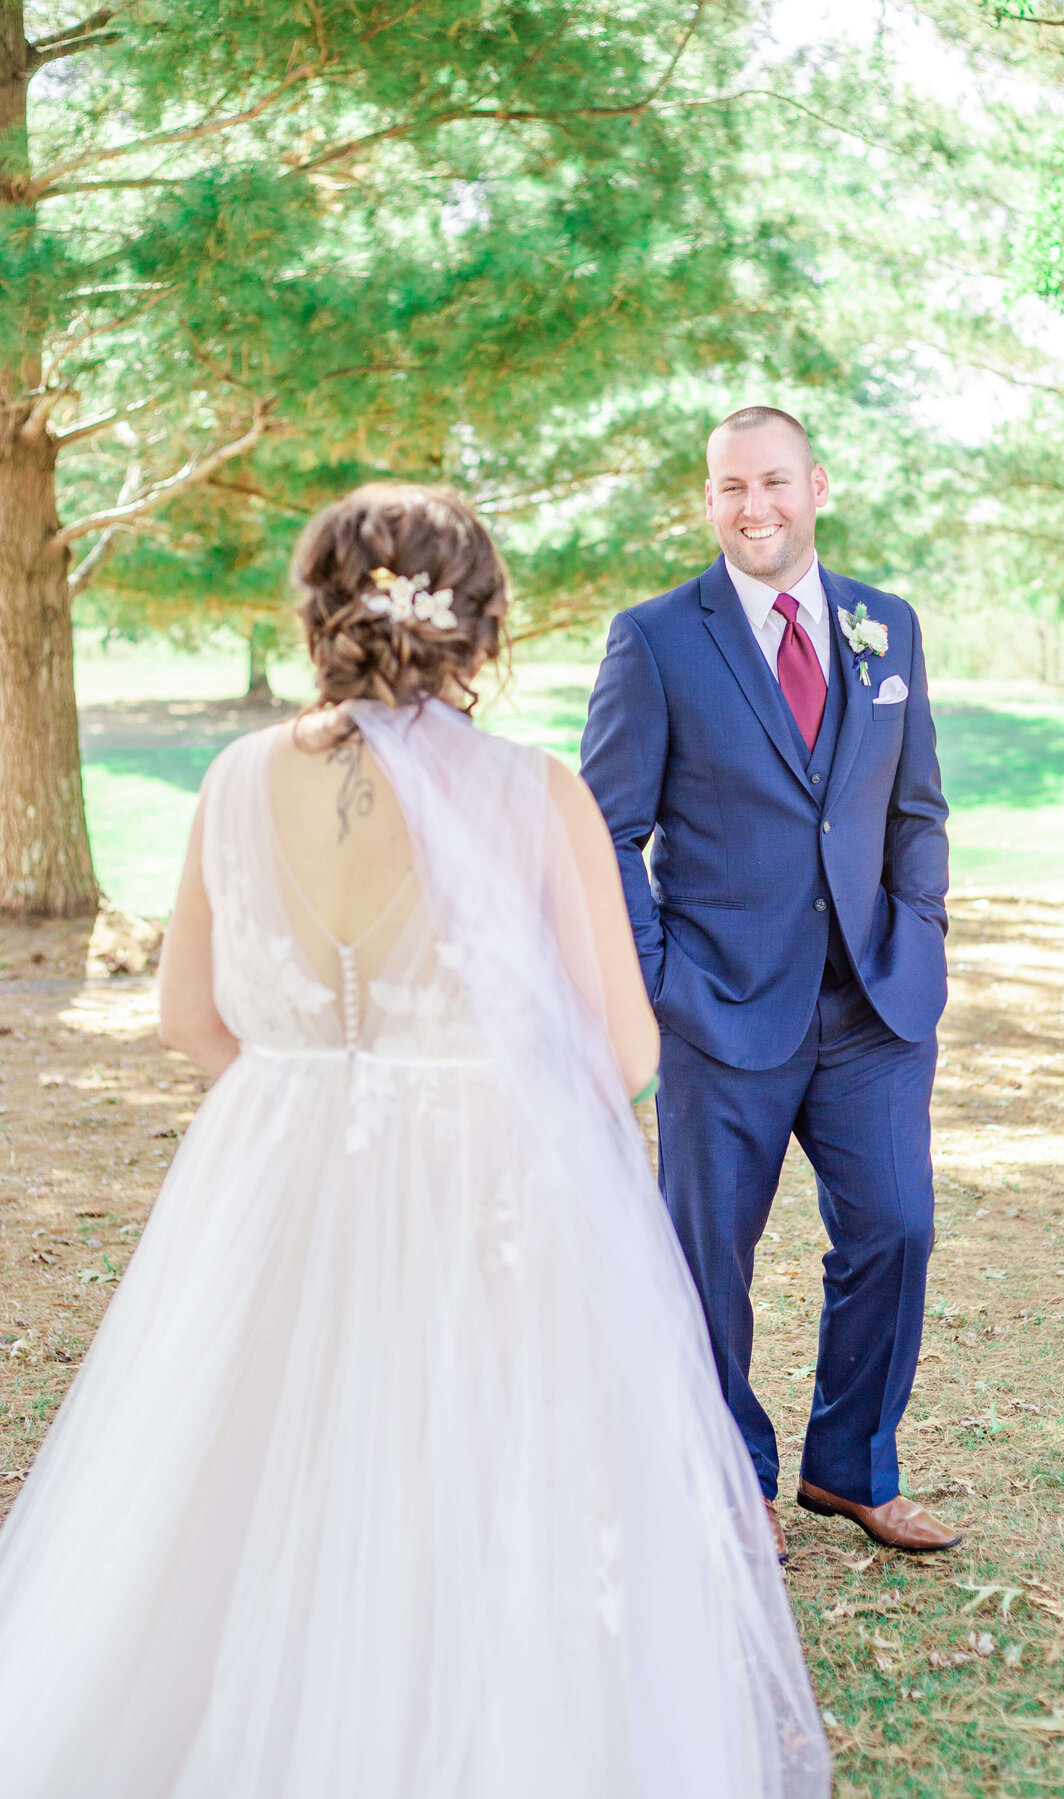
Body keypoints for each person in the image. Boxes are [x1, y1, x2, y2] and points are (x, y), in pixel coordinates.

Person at [0, 483, 829, 1798]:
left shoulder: (231, 778)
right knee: (464, 1482)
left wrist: (315, 1095)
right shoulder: (536, 793)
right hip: (481, 1189)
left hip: (270, 1180)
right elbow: (624, 1050)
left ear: (321, 615)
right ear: (480, 625)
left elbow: (187, 1015)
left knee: (241, 1474)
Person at [580, 407, 960, 1558]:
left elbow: (918, 805)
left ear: (816, 485)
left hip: (874, 1003)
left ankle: (851, 1467)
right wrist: (658, 979)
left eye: (776, 483)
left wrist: (925, 928)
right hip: (721, 1004)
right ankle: (729, 1473)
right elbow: (606, 828)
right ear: (708, 499)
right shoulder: (654, 639)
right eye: (731, 487)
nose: (756, 506)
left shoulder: (884, 625)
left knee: (896, 1227)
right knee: (709, 1256)